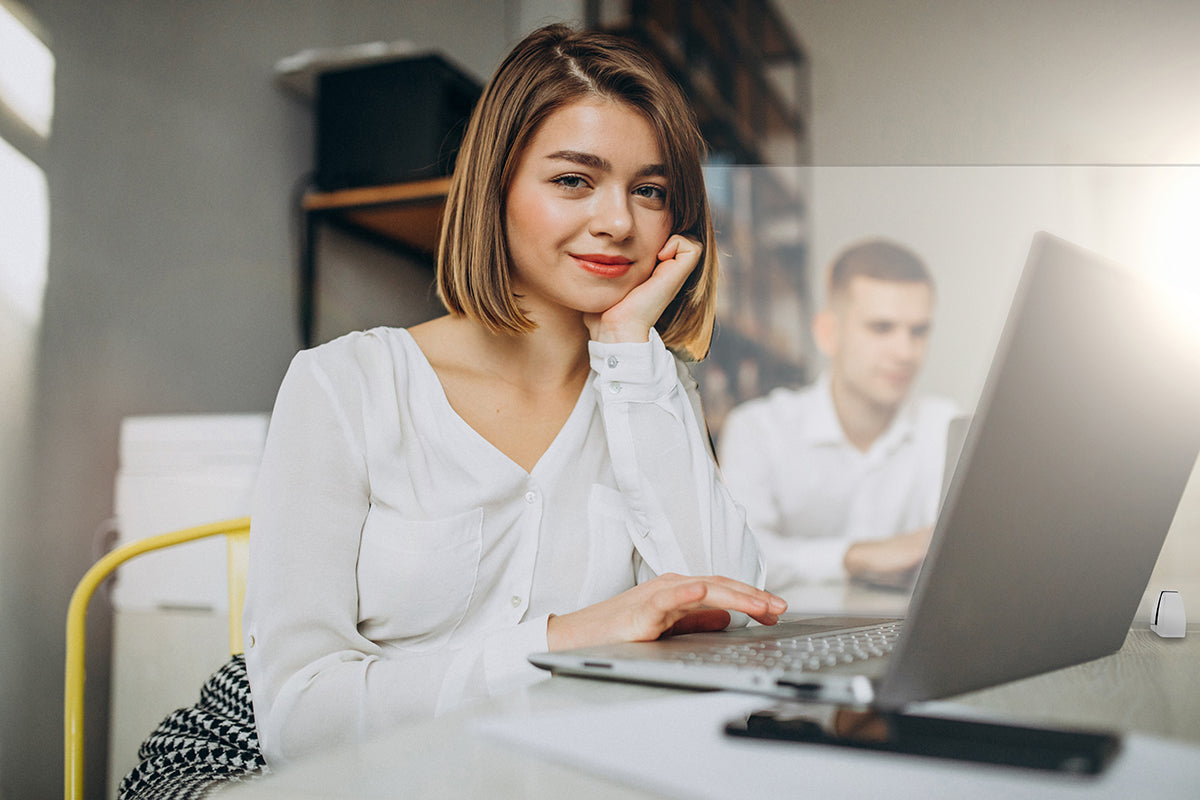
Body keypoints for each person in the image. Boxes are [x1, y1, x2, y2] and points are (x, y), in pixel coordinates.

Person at [242, 23, 785, 767]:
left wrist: (629, 344)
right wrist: (562, 640)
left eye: (649, 191)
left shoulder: (651, 392)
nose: (618, 222)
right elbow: (299, 718)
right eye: (573, 180)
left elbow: (737, 621)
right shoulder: (345, 387)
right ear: (496, 187)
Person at [718, 239, 960, 596]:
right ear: (828, 333)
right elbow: (737, 563)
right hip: (785, 643)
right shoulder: (757, 429)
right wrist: (854, 556)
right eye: (881, 328)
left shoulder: (945, 427)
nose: (905, 352)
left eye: (918, 331)